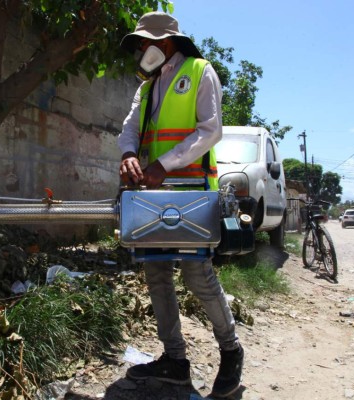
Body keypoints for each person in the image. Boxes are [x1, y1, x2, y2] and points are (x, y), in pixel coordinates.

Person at [117, 11, 244, 398]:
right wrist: (128, 154)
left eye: (145, 41)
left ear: (166, 42)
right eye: (139, 43)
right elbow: (129, 127)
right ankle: (175, 360)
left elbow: (211, 130)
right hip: (152, 194)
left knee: (196, 275)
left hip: (190, 192)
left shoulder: (200, 71)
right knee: (156, 274)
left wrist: (162, 164)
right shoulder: (147, 86)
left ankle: (231, 350)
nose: (140, 48)